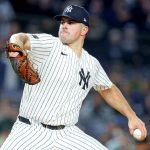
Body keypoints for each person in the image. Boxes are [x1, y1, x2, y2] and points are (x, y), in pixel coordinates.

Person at [0, 4, 147, 150]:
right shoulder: (51, 45)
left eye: (71, 22)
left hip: (66, 133)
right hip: (30, 130)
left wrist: (132, 116)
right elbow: (18, 38)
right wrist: (16, 52)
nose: (64, 25)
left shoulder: (91, 63)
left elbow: (108, 89)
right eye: (62, 21)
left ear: (84, 29)